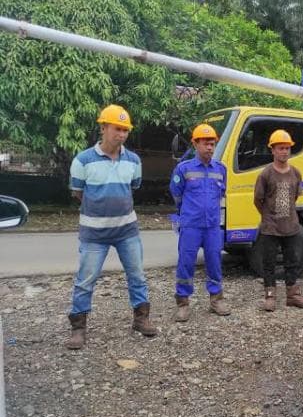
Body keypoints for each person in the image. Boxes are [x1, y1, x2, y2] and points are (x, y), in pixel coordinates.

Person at [65, 104, 157, 350]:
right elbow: (78, 192)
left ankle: (141, 318)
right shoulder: (83, 160)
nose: (122, 134)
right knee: (85, 279)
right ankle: (78, 328)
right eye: (117, 129)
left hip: (127, 231)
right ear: (103, 127)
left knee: (137, 275)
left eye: (125, 130)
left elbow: (132, 187)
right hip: (94, 234)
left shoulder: (133, 161)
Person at [170, 123, 230, 320]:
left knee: (214, 262)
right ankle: (183, 303)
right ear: (195, 144)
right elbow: (176, 194)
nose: (210, 147)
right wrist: (187, 214)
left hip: (212, 226)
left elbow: (222, 192)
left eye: (212, 144)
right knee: (186, 263)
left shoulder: (221, 169)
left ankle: (216, 299)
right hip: (191, 226)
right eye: (205, 143)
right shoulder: (183, 168)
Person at [253, 129, 303, 311]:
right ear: (272, 150)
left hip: (291, 226)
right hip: (270, 227)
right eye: (280, 148)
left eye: (287, 148)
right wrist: (267, 217)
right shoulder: (266, 174)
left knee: (292, 261)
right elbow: (258, 200)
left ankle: (293, 295)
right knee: (269, 262)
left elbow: (294, 197)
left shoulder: (295, 173)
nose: (284, 151)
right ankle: (270, 296)